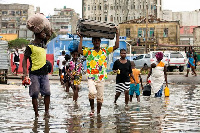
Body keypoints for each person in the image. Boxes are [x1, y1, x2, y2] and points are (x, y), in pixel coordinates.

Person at [77, 28, 119, 115]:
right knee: (92, 93)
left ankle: (98, 113)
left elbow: (116, 46)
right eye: (95, 41)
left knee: (100, 98)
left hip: (101, 77)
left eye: (98, 41)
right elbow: (79, 51)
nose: (96, 42)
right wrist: (81, 39)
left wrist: (117, 35)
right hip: (91, 77)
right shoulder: (89, 51)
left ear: (100, 42)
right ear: (92, 42)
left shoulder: (105, 51)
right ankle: (92, 110)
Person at [22, 14, 52, 117]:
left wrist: (45, 22)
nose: (44, 33)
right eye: (42, 32)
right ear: (37, 32)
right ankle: (36, 114)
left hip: (44, 74)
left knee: (47, 92)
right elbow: (24, 60)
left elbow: (50, 33)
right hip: (34, 74)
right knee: (34, 94)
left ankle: (46, 113)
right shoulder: (30, 46)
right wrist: (25, 74)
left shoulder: (43, 43)